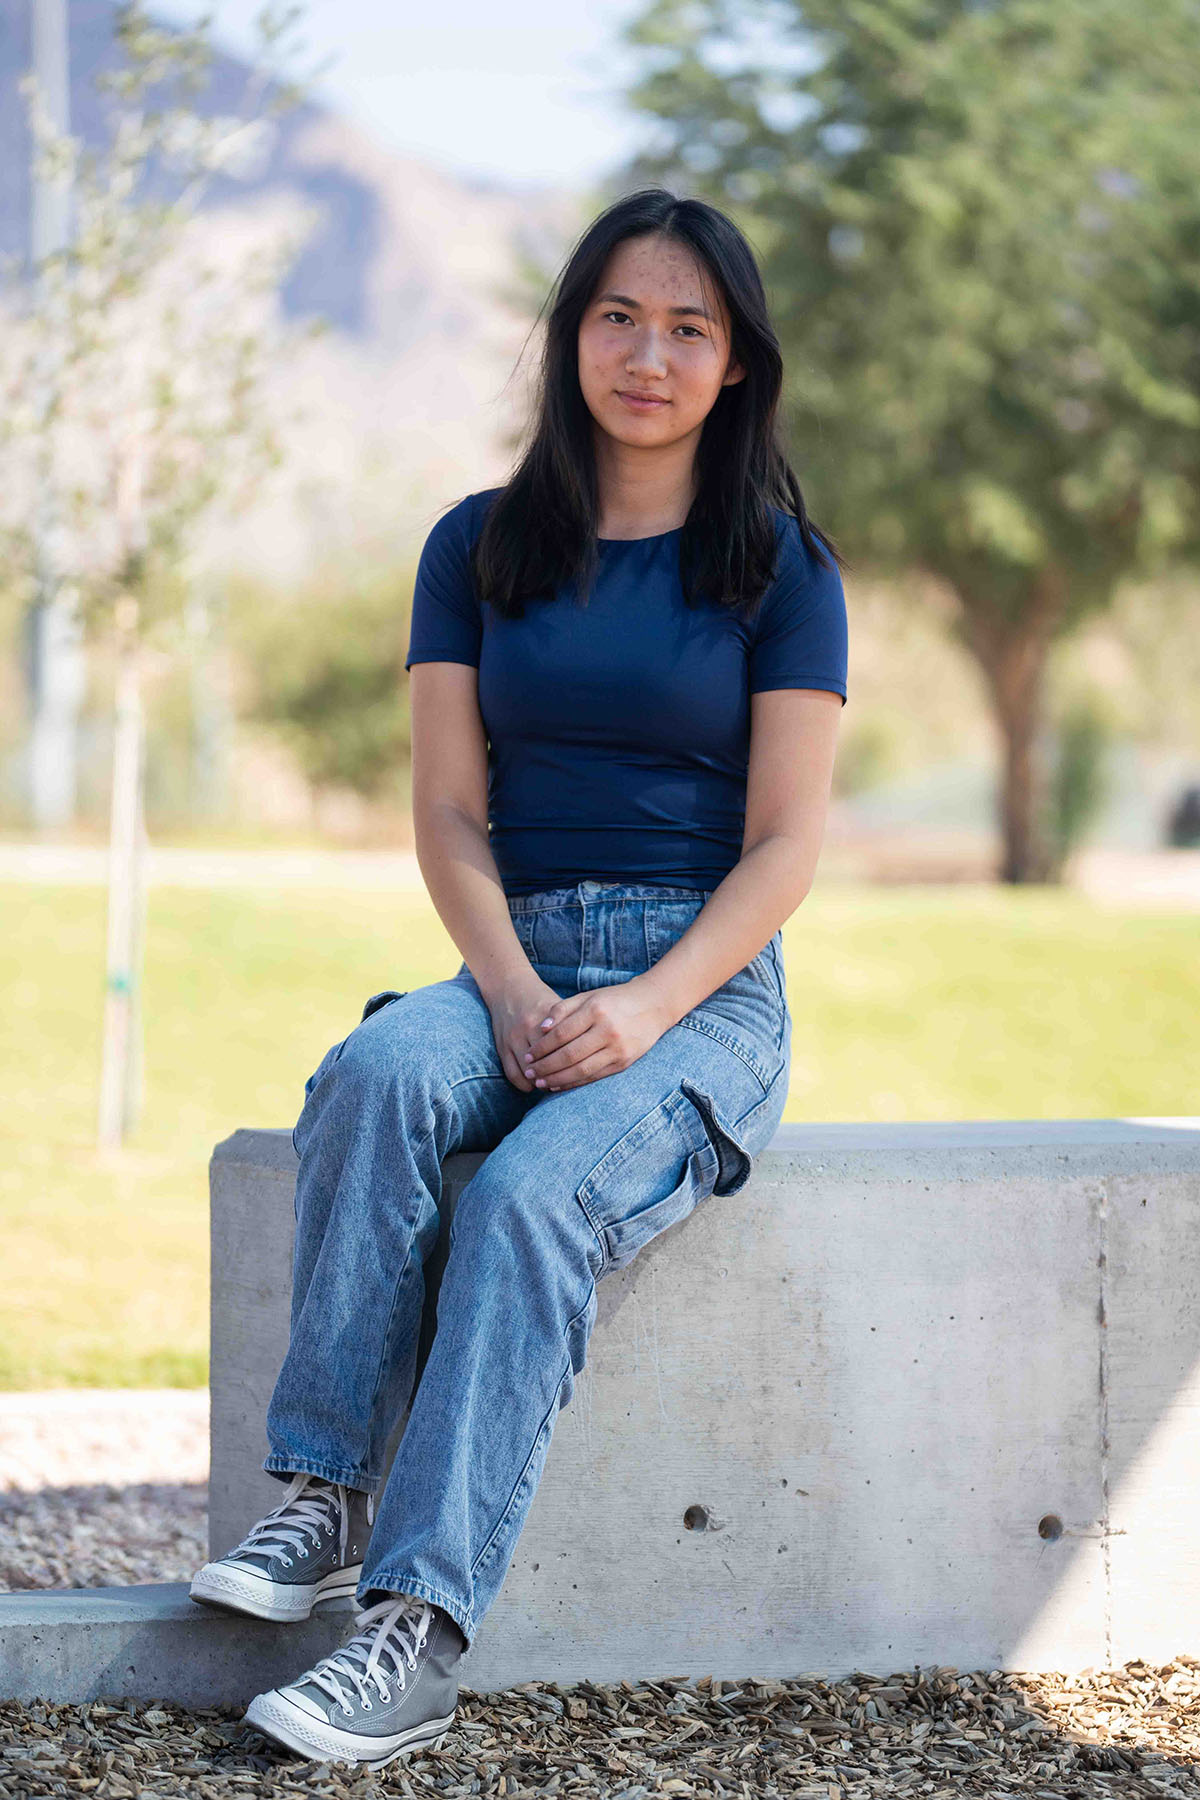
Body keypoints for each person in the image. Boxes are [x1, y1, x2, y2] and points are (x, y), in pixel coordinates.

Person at [188, 184, 849, 1770]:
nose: (649, 352)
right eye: (619, 315)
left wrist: (645, 1008)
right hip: (514, 950)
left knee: (534, 1196)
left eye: (691, 327)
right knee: (379, 1071)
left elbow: (784, 853)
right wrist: (503, 986)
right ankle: (322, 1498)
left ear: (736, 366)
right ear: (570, 340)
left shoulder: (780, 567)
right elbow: (446, 810)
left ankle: (414, 1633)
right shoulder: (477, 548)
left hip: (700, 990)